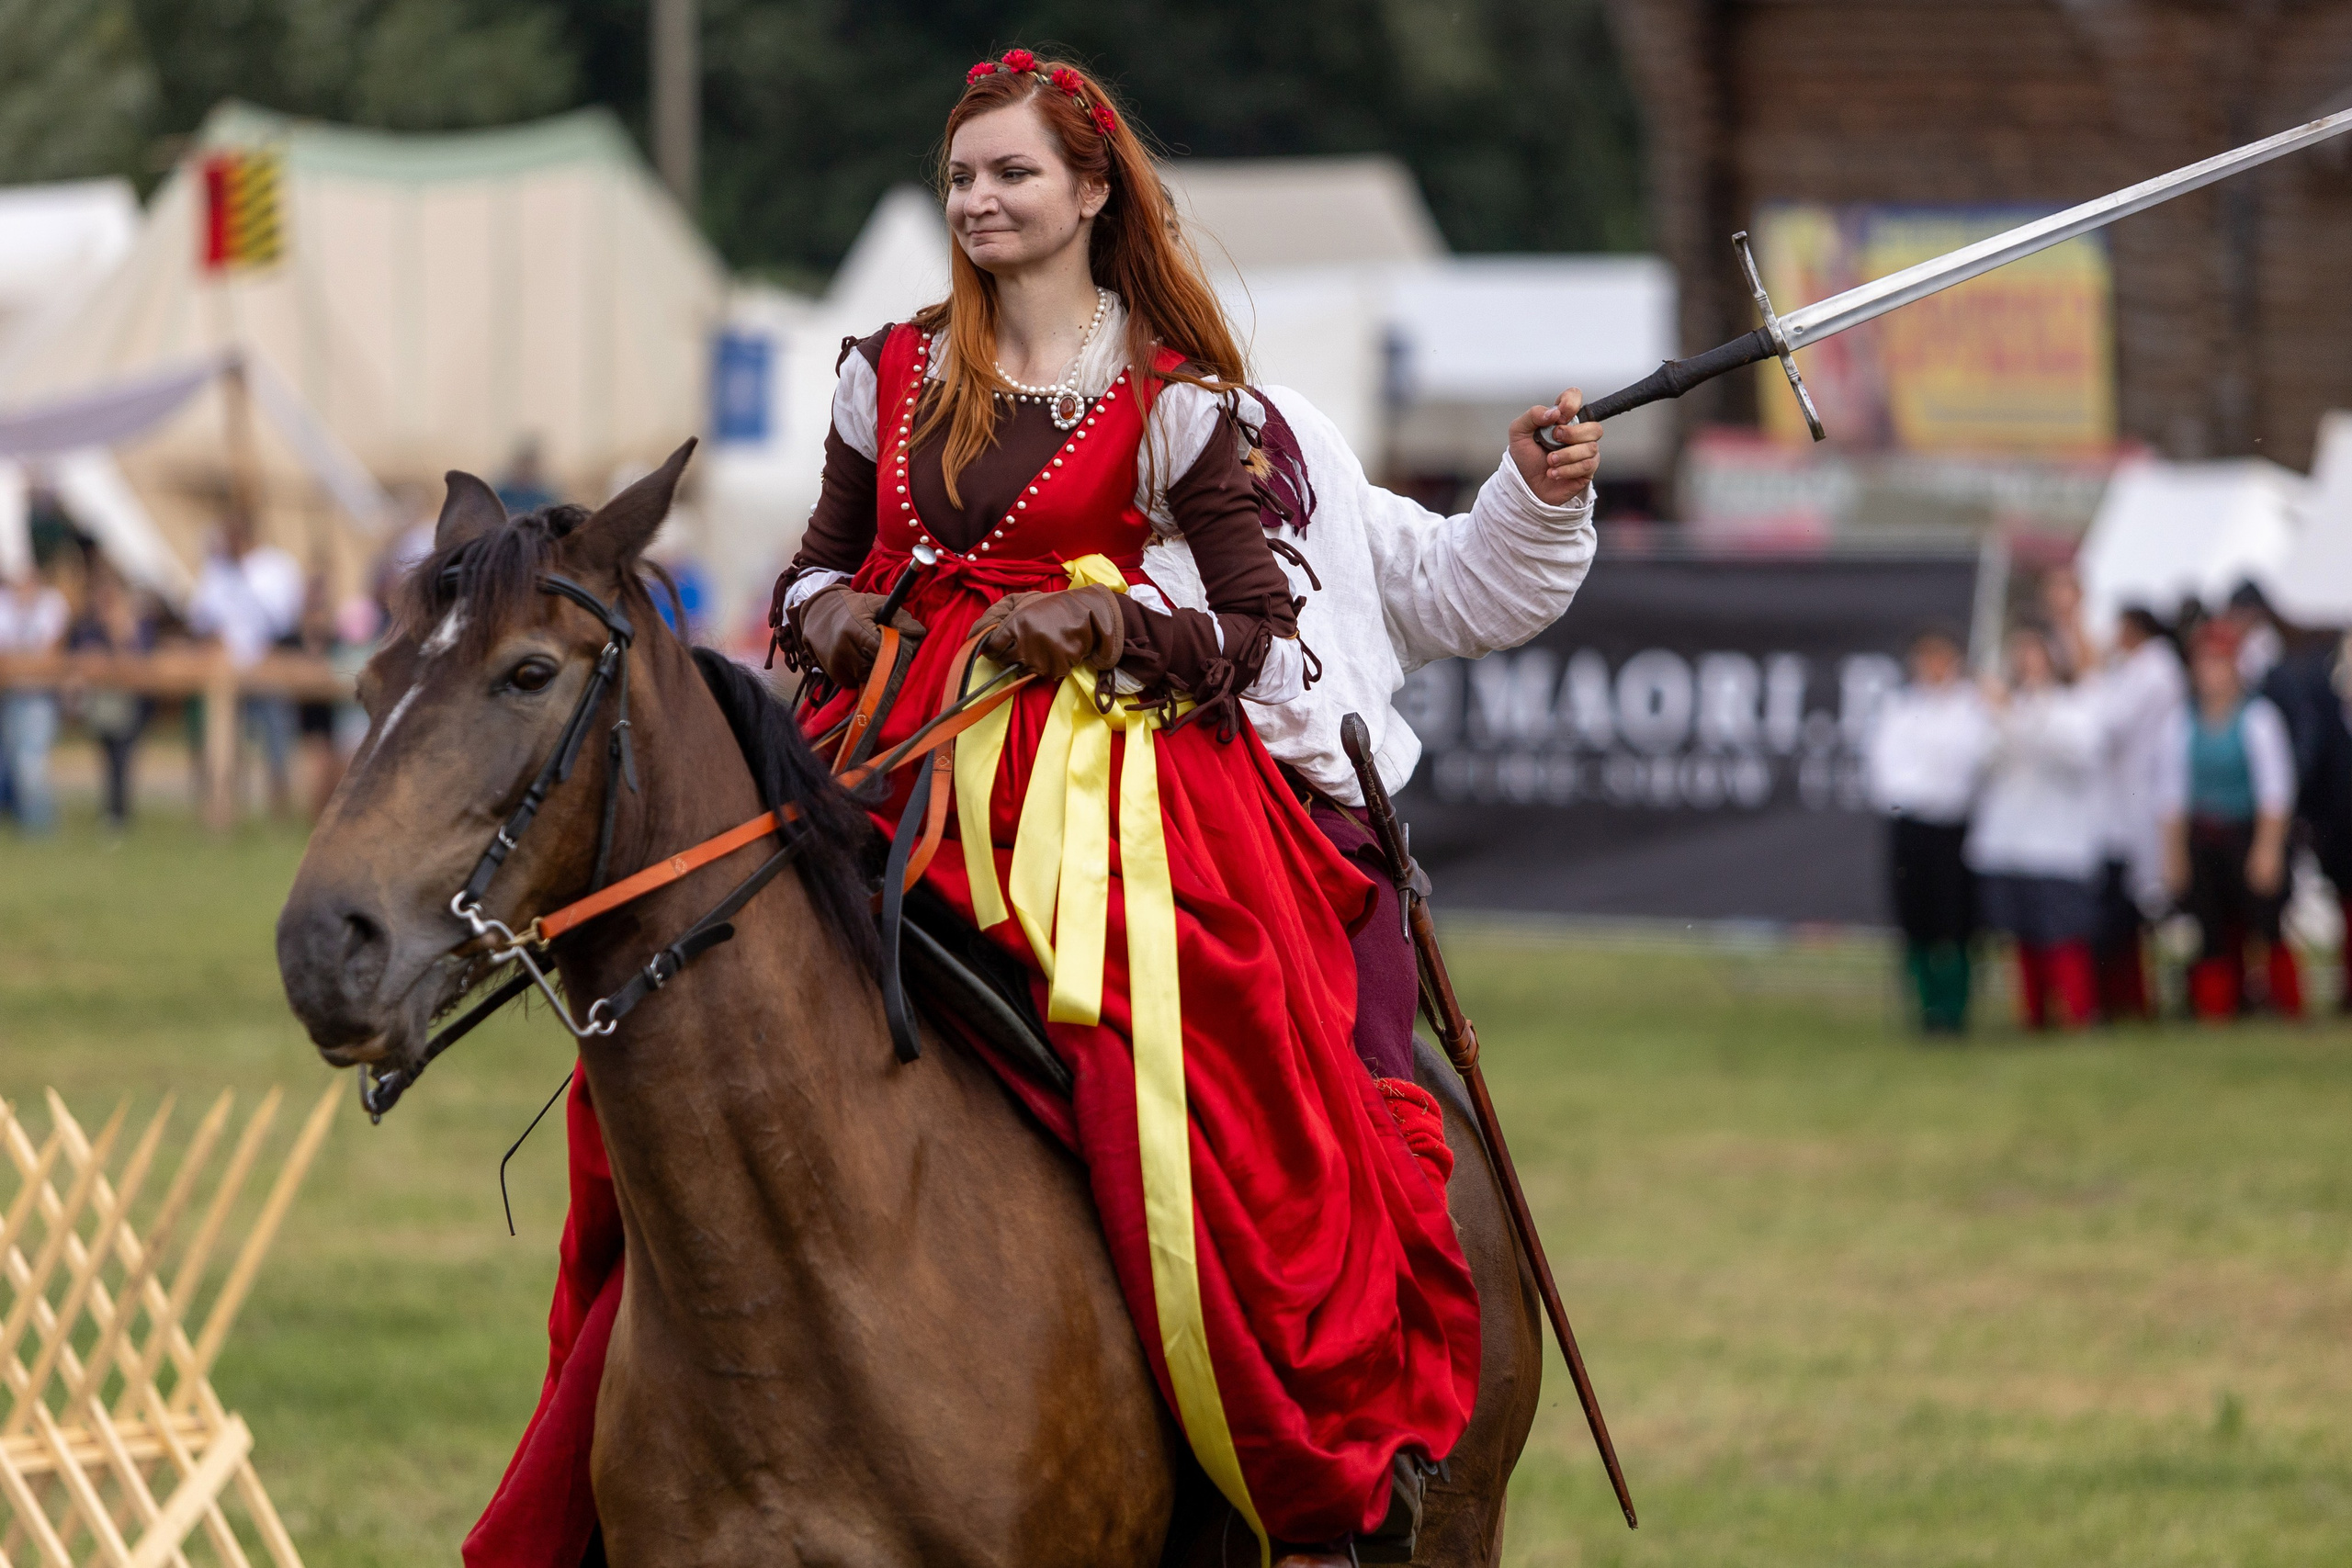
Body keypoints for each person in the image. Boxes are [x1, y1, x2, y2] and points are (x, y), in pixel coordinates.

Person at [477, 54, 1592, 1568]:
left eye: (1011, 173)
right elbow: (810, 573)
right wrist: (843, 621)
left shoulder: (1185, 403)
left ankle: (1291, 1441)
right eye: (961, 176)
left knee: (1210, 1069)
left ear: (1091, 191)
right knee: (696, 1022)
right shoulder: (886, 369)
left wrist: (1118, 628)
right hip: (885, 751)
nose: (980, 199)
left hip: (1098, 786)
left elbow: (1259, 635)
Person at [2056, 588, 2188, 1021]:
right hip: (2121, 808)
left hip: (2141, 804)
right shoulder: (2137, 670)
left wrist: (2088, 676)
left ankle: (2137, 1000)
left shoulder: (2155, 671)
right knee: (2120, 913)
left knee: (2139, 911)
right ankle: (2124, 997)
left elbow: (2107, 727)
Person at [2158, 621, 2300, 1019]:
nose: (2210, 674)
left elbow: (2276, 790)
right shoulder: (2182, 722)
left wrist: (2268, 849)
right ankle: (2218, 1008)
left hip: (2246, 831)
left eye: (2219, 664)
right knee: (2210, 925)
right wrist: (2174, 855)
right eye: (2203, 664)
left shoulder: (2258, 718)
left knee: (2266, 921)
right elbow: (2171, 794)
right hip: (2204, 835)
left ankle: (2285, 1005)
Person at [1966, 625, 2103, 1030]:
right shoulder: (2002, 707)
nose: (2028, 663)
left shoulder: (2074, 706)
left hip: (2057, 844)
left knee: (2062, 935)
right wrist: (2004, 716)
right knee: (2022, 936)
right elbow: (1979, 763)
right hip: (2009, 841)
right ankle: (2034, 1014)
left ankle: (2077, 1012)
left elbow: (2079, 756)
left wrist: (2018, 716)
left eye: (2035, 653)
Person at [1865, 627, 1992, 1032]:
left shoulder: (1973, 709)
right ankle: (1927, 1006)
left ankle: (1955, 1008)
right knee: (1915, 917)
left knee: (1955, 921)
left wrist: (1935, 787)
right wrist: (1921, 791)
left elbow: (1970, 767)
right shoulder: (1899, 709)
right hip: (1910, 827)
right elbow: (1886, 773)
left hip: (1955, 830)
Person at [186, 508, 304, 816]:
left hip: (268, 662)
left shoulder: (277, 566)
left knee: (275, 736)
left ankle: (280, 805)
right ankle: (223, 805)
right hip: (225, 667)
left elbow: (283, 619)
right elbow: (199, 616)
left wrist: (244, 574)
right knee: (222, 742)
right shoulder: (216, 569)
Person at [66, 556, 154, 829]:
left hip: (130, 704)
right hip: (104, 705)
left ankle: (119, 814)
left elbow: (140, 662)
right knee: (109, 758)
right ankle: (114, 813)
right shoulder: (89, 627)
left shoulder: (135, 626)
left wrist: (119, 634)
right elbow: (79, 658)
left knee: (122, 757)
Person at [0, 558, 70, 834]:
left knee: (31, 764)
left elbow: (50, 650)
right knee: (16, 762)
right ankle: (27, 822)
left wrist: (24, 659)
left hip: (39, 697)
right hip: (12, 696)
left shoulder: (51, 605)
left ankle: (39, 828)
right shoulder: (6, 606)